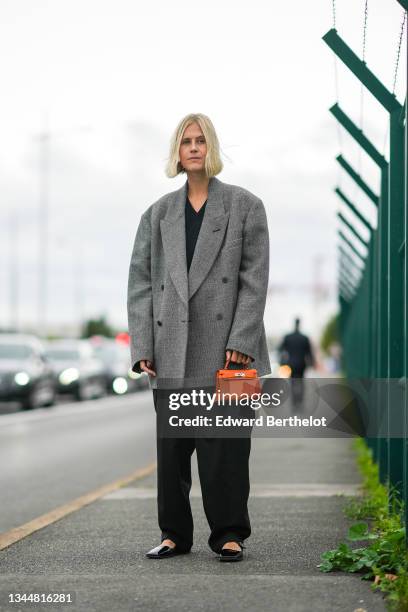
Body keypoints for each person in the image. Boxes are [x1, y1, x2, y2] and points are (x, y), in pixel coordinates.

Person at [127, 113, 270, 561]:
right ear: (177, 151)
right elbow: (141, 283)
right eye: (186, 141)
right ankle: (174, 534)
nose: (193, 148)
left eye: (201, 141)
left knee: (226, 450)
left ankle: (229, 534)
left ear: (212, 149)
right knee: (172, 452)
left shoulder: (246, 206)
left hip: (231, 350)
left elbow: (254, 277)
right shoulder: (158, 214)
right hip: (171, 349)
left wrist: (243, 337)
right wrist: (143, 345)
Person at [278, 317, 315, 406]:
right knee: (301, 382)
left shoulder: (288, 337)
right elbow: (309, 352)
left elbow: (280, 349)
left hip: (290, 364)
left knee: (292, 382)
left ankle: (294, 402)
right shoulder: (304, 338)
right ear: (300, 324)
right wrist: (312, 363)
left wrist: (282, 361)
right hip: (302, 364)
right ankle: (300, 401)